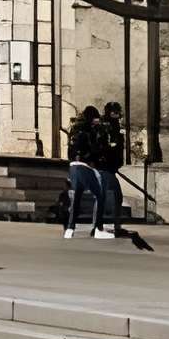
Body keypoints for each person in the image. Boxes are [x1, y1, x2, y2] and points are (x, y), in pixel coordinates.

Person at [64, 106, 115, 240]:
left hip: (73, 167)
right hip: (84, 167)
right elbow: (93, 150)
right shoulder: (89, 131)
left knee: (76, 198)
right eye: (96, 118)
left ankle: (70, 228)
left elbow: (71, 150)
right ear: (92, 118)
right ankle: (98, 228)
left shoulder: (74, 129)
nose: (97, 121)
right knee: (99, 195)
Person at [99, 101, 126, 237]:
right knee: (115, 196)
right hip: (105, 168)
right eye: (115, 112)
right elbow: (108, 147)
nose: (118, 115)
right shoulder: (106, 127)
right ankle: (112, 225)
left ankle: (110, 224)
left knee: (111, 196)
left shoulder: (115, 126)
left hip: (109, 167)